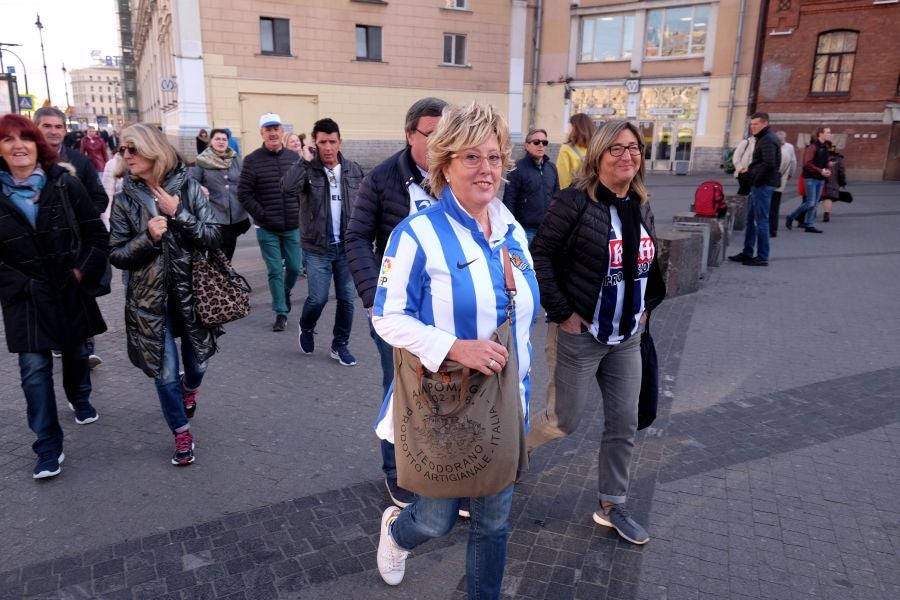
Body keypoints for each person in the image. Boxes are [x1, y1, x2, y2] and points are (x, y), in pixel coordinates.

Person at [372, 101, 539, 598]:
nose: (485, 169)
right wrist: (452, 347)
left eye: (493, 157)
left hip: (506, 404)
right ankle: (397, 532)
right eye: (471, 157)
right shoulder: (417, 235)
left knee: (493, 523)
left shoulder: (514, 233)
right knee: (438, 519)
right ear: (444, 164)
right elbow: (386, 317)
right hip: (441, 403)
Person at [528, 119, 665, 545]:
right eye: (616, 149)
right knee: (562, 420)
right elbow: (540, 253)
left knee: (624, 421)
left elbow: (648, 262)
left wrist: (645, 309)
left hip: (627, 336)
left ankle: (612, 504)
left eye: (634, 148)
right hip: (580, 335)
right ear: (598, 155)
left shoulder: (639, 202)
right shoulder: (573, 202)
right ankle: (509, 455)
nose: (627, 156)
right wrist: (563, 311)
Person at [345, 96, 447, 508]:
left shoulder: (455, 172)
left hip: (444, 308)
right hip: (397, 308)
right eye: (432, 134)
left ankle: (446, 469)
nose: (442, 142)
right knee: (402, 390)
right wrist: (373, 297)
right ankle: (396, 471)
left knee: (447, 391)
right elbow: (355, 238)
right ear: (410, 135)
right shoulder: (383, 178)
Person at [0, 114, 108, 479]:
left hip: (68, 289)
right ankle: (47, 446)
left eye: (25, 139)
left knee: (77, 353)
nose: (18, 146)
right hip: (24, 298)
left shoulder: (63, 184)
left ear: (36, 145)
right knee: (33, 371)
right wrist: (22, 285)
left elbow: (97, 236)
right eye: (7, 140)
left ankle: (79, 396)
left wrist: (80, 271)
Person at [109, 123, 221, 466]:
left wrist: (179, 214)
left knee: (197, 365)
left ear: (152, 150)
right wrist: (148, 238)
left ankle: (191, 390)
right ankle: (181, 432)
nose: (126, 156)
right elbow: (117, 253)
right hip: (148, 300)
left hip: (192, 296)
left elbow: (213, 236)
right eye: (122, 150)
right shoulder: (125, 198)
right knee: (165, 373)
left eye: (133, 149)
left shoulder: (187, 188)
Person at [283, 118, 364, 366]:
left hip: (347, 247)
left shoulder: (353, 170)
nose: (328, 147)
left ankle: (340, 345)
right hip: (318, 247)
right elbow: (287, 188)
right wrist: (303, 161)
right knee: (317, 298)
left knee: (347, 299)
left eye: (332, 141)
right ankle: (306, 326)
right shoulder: (309, 169)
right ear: (314, 144)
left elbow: (366, 205)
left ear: (340, 142)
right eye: (322, 142)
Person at [34, 107, 109, 368]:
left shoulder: (79, 161)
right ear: (37, 128)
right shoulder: (24, 162)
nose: (53, 131)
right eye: (47, 126)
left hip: (74, 247)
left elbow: (99, 198)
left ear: (65, 130)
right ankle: (58, 341)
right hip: (39, 249)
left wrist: (82, 217)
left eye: (58, 126)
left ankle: (85, 350)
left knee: (79, 297)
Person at [237, 113, 301, 332]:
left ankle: (284, 293)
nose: (273, 132)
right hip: (267, 228)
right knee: (275, 269)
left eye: (276, 128)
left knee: (294, 267)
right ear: (261, 133)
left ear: (282, 131)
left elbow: (303, 189)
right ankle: (281, 312)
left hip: (292, 225)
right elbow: (244, 193)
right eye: (268, 129)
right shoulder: (252, 160)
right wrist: (261, 215)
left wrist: (300, 211)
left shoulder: (294, 159)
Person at [728, 112, 781, 266]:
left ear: (765, 123)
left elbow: (769, 164)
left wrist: (755, 179)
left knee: (761, 221)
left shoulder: (767, 140)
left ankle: (762, 256)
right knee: (751, 219)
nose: (753, 127)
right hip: (759, 184)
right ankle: (747, 251)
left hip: (763, 185)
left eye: (756, 124)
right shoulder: (763, 138)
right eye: (751, 124)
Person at [189, 128, 250, 261]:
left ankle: (224, 278)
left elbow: (247, 179)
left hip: (235, 214)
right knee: (218, 253)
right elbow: (191, 180)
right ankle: (221, 278)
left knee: (229, 250)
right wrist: (199, 186)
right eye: (217, 139)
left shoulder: (237, 160)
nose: (221, 142)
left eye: (224, 139)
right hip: (214, 214)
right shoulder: (202, 160)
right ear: (211, 141)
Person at [502, 127, 559, 242]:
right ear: (527, 145)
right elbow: (509, 201)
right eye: (536, 142)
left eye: (544, 142)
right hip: (525, 231)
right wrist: (510, 230)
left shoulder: (551, 168)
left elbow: (557, 198)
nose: (541, 145)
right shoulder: (516, 168)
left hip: (547, 230)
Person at [786, 126, 832, 234]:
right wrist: (821, 171)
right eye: (828, 132)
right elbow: (807, 164)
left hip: (820, 178)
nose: (830, 134)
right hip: (811, 178)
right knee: (810, 202)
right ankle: (791, 216)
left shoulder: (825, 147)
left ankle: (809, 224)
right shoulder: (812, 147)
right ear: (820, 134)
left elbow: (825, 162)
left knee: (815, 203)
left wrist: (827, 170)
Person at [556, 112, 594, 189]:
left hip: (576, 194)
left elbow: (563, 180)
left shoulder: (566, 149)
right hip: (596, 192)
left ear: (575, 128)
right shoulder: (597, 147)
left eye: (570, 125)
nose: (568, 128)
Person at [770, 130, 797, 238]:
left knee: (766, 206)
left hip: (769, 182)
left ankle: (765, 227)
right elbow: (793, 163)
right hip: (781, 181)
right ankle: (773, 229)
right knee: (775, 207)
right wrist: (791, 174)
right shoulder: (789, 148)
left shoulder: (773, 150)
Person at [820, 140, 845, 223]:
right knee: (828, 197)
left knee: (815, 197)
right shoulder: (838, 158)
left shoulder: (819, 156)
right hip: (832, 181)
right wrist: (842, 182)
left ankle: (812, 213)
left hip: (819, 179)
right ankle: (826, 214)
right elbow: (841, 172)